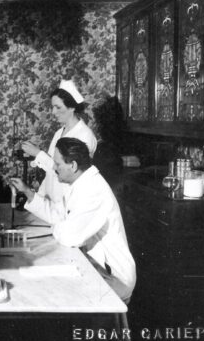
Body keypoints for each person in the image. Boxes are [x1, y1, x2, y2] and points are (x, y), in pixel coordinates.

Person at [10, 137, 136, 303]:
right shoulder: (79, 183)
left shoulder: (92, 190)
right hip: (95, 267)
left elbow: (69, 237)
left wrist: (60, 226)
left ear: (73, 165)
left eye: (57, 164)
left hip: (113, 278)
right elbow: (58, 215)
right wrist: (28, 192)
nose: (54, 168)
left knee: (50, 296)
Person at [21, 79, 97, 204]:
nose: (53, 112)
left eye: (58, 107)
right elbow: (50, 174)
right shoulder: (59, 133)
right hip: (52, 201)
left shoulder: (84, 136)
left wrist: (38, 154)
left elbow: (68, 172)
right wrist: (39, 199)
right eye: (52, 107)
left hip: (69, 202)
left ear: (72, 107)